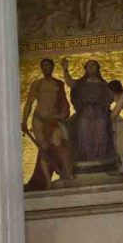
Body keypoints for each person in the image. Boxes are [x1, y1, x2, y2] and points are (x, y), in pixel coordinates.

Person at [23, 58, 74, 188]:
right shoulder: (37, 84)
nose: (46, 68)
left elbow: (64, 103)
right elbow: (29, 103)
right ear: (41, 68)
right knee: (44, 149)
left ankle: (68, 174)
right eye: (44, 66)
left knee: (59, 145)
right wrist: (24, 121)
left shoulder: (58, 83)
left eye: (48, 65)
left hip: (54, 120)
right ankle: (47, 182)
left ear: (52, 67)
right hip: (39, 120)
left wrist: (62, 115)